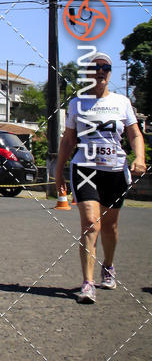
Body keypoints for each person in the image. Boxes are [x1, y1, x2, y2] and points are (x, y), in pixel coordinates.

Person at [56, 52, 146, 303]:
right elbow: (68, 140)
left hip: (115, 171)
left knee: (110, 226)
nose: (101, 72)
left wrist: (139, 157)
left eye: (105, 67)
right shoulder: (77, 104)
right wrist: (58, 170)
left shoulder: (122, 102)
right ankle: (87, 283)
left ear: (109, 72)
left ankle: (108, 265)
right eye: (95, 68)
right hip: (85, 169)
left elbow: (134, 134)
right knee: (90, 224)